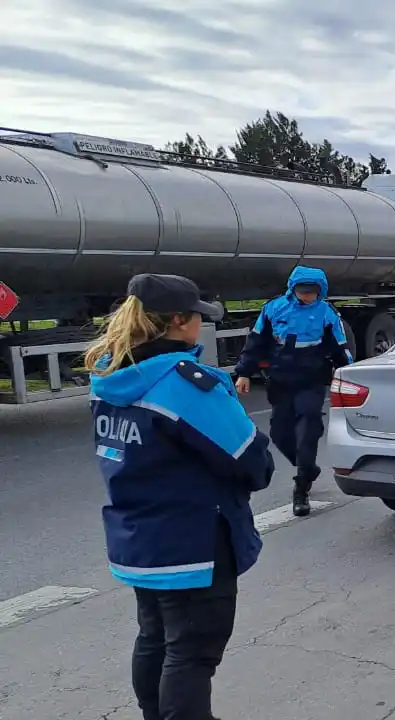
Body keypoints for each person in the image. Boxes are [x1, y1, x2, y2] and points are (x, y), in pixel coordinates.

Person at [86, 273, 275, 720]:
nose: (199, 326)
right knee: (191, 654)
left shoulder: (111, 378)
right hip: (193, 544)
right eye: (196, 317)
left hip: (138, 539)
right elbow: (252, 463)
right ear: (177, 321)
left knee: (154, 638)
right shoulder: (185, 386)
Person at [233, 266, 352, 516]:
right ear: (293, 288)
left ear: (321, 291)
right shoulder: (273, 309)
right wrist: (244, 372)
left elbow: (339, 348)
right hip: (280, 380)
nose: (307, 296)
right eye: (302, 291)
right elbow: (255, 342)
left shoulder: (326, 313)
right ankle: (307, 468)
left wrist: (348, 374)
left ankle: (301, 488)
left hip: (311, 380)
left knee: (308, 428)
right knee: (279, 434)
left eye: (312, 292)